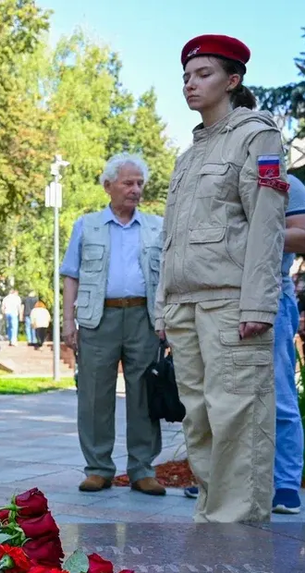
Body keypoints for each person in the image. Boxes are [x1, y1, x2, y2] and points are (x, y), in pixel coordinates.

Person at [155, 35, 288, 523]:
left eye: (203, 74)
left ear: (232, 80)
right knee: (200, 419)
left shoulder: (257, 135)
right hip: (186, 305)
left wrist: (257, 304)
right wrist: (163, 305)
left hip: (231, 304)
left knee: (238, 418)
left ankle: (238, 535)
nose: (191, 83)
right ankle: (213, 522)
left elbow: (267, 225)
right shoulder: (189, 155)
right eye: (187, 76)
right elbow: (170, 239)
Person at [61, 153, 166, 496]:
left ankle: (142, 469)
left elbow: (167, 278)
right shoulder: (86, 225)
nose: (136, 190)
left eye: (139, 183)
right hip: (97, 318)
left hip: (143, 318)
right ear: (108, 186)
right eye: (128, 183)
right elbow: (71, 277)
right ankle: (98, 469)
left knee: (143, 395)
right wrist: (67, 323)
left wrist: (166, 320)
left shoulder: (156, 226)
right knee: (93, 395)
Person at [270, 173, 305, 513]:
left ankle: (286, 485)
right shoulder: (219, 172)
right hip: (219, 300)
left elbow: (303, 236)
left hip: (271, 299)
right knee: (223, 400)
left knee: (280, 396)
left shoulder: (285, 182)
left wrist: (254, 235)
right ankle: (222, 481)